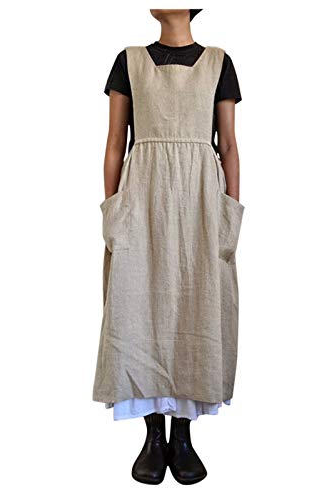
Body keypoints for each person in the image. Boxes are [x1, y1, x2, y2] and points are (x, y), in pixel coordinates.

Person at [92, 9, 245, 485]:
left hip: (199, 200)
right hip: (143, 198)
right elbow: (115, 142)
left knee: (195, 308)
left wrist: (229, 213)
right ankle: (153, 434)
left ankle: (183, 434)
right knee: (138, 310)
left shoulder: (219, 62)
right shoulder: (129, 61)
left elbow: (229, 145)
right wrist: (113, 209)